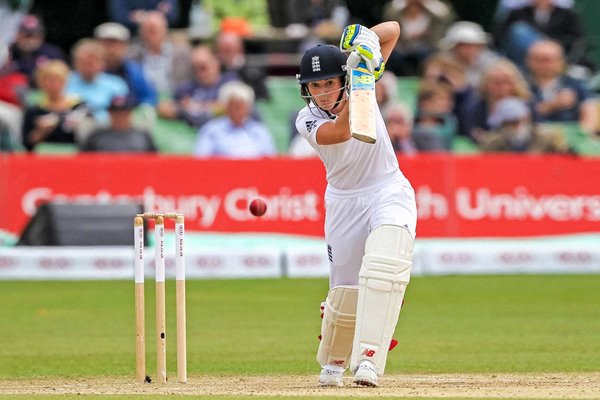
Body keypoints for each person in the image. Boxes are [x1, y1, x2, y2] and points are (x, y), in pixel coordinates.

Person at [295, 22, 417, 388]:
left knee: (384, 265)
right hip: (344, 202)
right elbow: (343, 132)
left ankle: (368, 360)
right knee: (345, 292)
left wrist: (364, 43)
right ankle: (333, 361)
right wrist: (360, 74)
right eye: (315, 86)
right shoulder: (307, 119)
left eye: (329, 82)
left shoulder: (362, 79)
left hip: (388, 188)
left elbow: (393, 29)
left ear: (340, 81)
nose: (322, 92)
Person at [525, 40, 598, 136]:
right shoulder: (522, 86)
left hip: (570, 137)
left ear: (561, 61)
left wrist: (581, 134)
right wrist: (553, 105)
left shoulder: (576, 85)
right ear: (529, 61)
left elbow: (590, 112)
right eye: (539, 60)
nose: (545, 65)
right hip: (533, 140)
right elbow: (516, 116)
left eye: (549, 60)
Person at [22, 60, 91, 151]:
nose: (53, 84)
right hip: (44, 155)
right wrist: (41, 131)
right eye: (47, 80)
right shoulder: (34, 110)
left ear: (65, 81)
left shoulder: (79, 106)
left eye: (57, 80)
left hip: (75, 154)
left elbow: (90, 137)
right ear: (40, 83)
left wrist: (75, 125)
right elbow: (27, 144)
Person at [193, 81, 275, 158]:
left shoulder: (260, 131)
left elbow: (271, 161)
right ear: (226, 107)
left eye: (241, 106)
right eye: (234, 106)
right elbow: (201, 159)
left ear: (249, 107)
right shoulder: (211, 130)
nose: (238, 110)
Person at [464, 58, 532, 141]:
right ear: (485, 83)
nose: (501, 86)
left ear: (515, 83)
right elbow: (471, 131)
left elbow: (534, 130)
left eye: (505, 81)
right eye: (496, 82)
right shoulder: (474, 108)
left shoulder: (527, 105)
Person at [128, 11, 193, 96]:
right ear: (142, 32)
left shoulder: (183, 54)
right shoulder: (132, 56)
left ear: (165, 30)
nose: (153, 35)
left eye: (155, 30)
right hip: (145, 102)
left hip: (177, 101)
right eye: (149, 30)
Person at [94, 22, 158, 108]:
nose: (111, 49)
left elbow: (149, 97)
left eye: (115, 44)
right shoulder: (89, 70)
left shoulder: (135, 71)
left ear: (125, 45)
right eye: (107, 44)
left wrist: (141, 109)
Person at [383, 0, 455, 76]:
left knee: (424, 54)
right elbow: (389, 13)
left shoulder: (431, 14)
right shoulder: (398, 13)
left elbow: (446, 16)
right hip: (403, 47)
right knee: (393, 55)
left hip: (426, 46)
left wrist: (425, 3)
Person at [478, 96, 571, 153]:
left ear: (527, 118)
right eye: (508, 123)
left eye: (517, 121)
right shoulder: (491, 143)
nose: (514, 126)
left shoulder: (547, 139)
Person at [80, 94, 157, 152]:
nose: (120, 117)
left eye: (123, 113)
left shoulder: (143, 136)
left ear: (130, 113)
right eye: (116, 113)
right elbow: (83, 161)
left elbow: (155, 161)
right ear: (110, 113)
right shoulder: (97, 137)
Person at [439, 21, 500, 87]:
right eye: (463, 45)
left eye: (472, 45)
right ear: (453, 47)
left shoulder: (492, 65)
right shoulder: (440, 65)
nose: (469, 50)